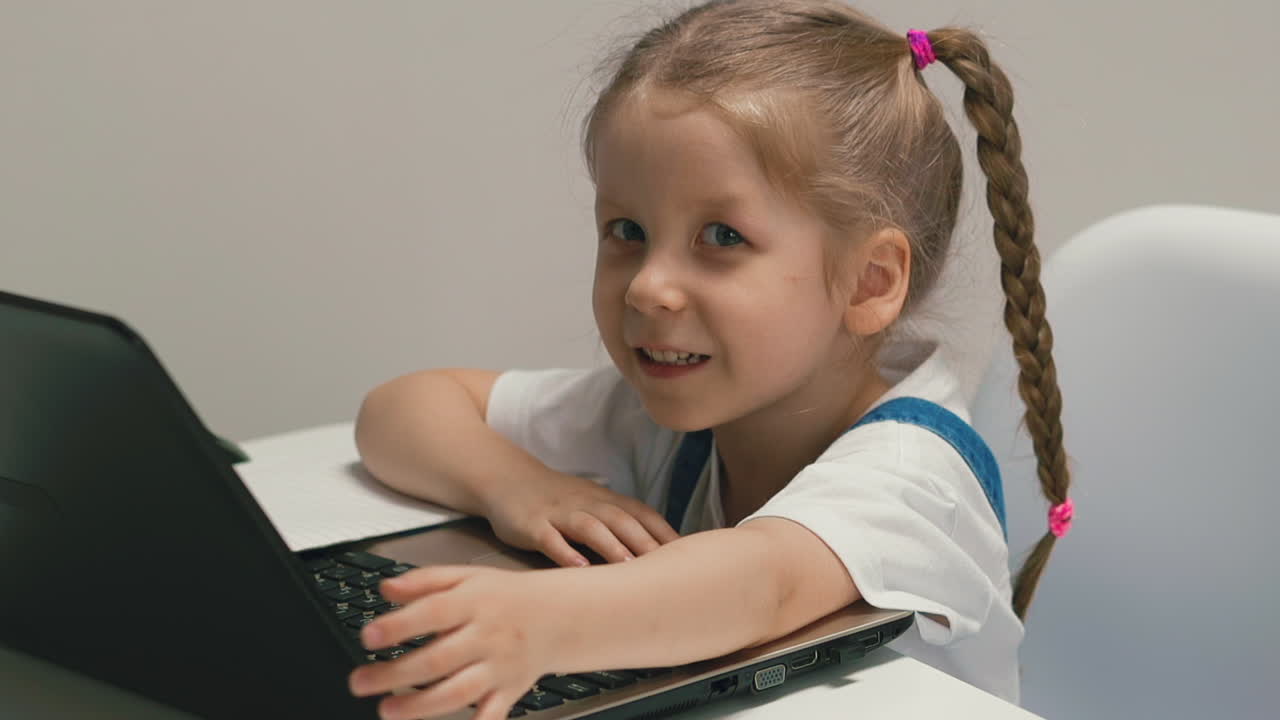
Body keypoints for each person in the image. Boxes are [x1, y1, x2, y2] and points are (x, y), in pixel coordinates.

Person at [347, 2, 1074, 718]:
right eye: (627, 230)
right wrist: (521, 489)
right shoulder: (672, 411)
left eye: (722, 237)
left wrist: (544, 620)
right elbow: (400, 411)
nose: (647, 286)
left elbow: (761, 584)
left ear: (869, 282)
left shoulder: (917, 479)